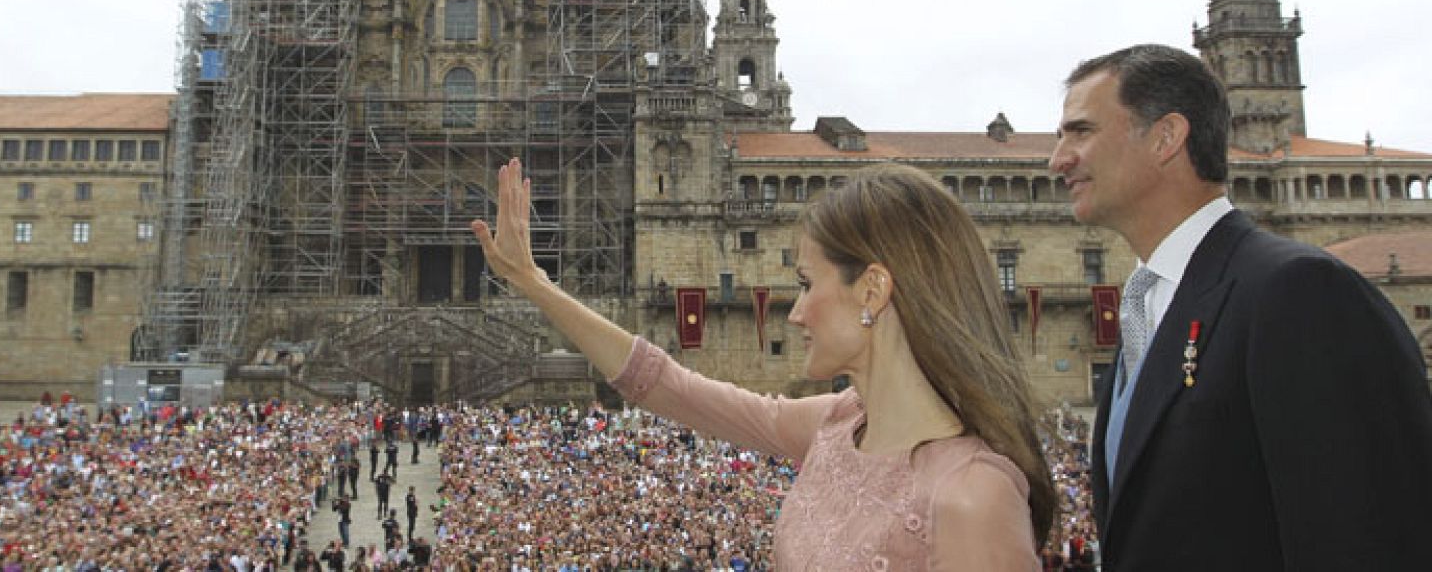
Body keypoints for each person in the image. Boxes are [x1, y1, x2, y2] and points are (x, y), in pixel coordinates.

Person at [472, 157, 1053, 568]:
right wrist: (534, 283)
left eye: (805, 283)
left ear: (872, 290)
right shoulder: (836, 425)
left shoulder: (973, 496)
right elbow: (665, 385)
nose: (794, 312)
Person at [1050, 44, 1432, 569]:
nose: (1059, 159)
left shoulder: (1298, 292)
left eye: (1081, 131)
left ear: (1166, 136)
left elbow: (1369, 532)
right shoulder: (1147, 303)